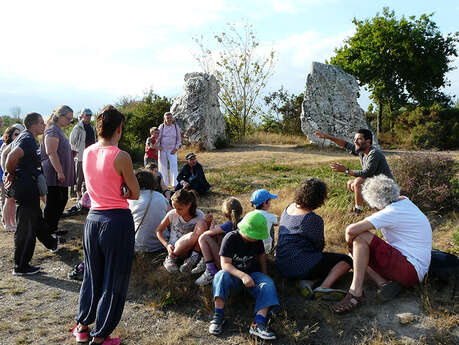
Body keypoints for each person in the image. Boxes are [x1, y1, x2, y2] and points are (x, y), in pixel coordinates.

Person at [73, 105, 140, 345]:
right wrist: (123, 189)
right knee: (114, 278)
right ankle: (101, 335)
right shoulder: (120, 156)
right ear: (119, 128)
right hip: (116, 221)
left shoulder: (88, 152)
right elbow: (134, 193)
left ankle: (82, 326)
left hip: (93, 219)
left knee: (92, 274)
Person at [331, 175, 432, 313]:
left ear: (376, 203)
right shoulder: (404, 202)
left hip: (410, 270)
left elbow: (351, 230)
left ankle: (355, 293)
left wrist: (351, 247)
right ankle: (384, 284)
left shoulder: (391, 212)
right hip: (416, 268)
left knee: (360, 238)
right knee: (360, 246)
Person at [275, 178, 353, 300]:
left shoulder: (288, 208)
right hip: (301, 264)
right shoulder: (312, 218)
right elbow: (319, 246)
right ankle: (324, 287)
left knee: (321, 263)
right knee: (346, 261)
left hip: (281, 264)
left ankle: (308, 282)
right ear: (318, 199)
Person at [209, 211, 279, 340]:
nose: (258, 239)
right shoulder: (230, 238)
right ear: (247, 231)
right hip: (234, 276)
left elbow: (262, 255)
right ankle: (218, 316)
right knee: (220, 276)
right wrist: (242, 276)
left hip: (253, 275)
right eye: (256, 236)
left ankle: (258, 323)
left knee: (268, 284)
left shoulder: (256, 241)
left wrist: (265, 275)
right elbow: (225, 264)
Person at [5, 113, 58, 275]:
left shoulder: (26, 137)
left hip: (29, 186)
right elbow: (11, 157)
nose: (44, 126)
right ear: (33, 125)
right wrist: (12, 173)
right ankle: (20, 266)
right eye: (41, 123)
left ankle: (51, 243)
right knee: (25, 229)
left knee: (35, 219)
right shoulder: (27, 139)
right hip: (26, 187)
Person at [315, 129, 393, 213]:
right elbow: (345, 144)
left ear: (368, 142)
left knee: (358, 182)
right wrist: (327, 137)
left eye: (359, 139)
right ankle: (368, 207)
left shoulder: (374, 153)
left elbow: (366, 173)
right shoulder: (362, 151)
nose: (355, 141)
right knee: (350, 184)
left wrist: (346, 170)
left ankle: (358, 211)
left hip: (386, 187)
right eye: (355, 139)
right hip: (375, 183)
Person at [41, 105, 75, 236]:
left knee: (61, 200)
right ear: (60, 116)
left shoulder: (57, 129)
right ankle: (48, 231)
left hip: (58, 172)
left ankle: (53, 228)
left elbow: (57, 149)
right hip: (53, 173)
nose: (69, 122)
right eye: (68, 119)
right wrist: (60, 171)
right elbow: (51, 153)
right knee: (54, 202)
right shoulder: (52, 131)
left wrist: (70, 152)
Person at [194, 197, 243, 286]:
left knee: (203, 238)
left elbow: (207, 233)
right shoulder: (244, 222)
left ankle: (211, 270)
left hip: (228, 264)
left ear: (225, 214)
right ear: (241, 211)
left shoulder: (228, 225)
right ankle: (207, 263)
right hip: (241, 263)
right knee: (218, 235)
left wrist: (212, 227)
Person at [156, 188, 207, 273]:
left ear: (189, 205)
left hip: (192, 248)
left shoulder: (199, 215)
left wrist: (208, 223)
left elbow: (203, 234)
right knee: (192, 235)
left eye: (179, 209)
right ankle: (171, 259)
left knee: (202, 224)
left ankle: (193, 258)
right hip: (175, 248)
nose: (176, 211)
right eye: (174, 207)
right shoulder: (172, 214)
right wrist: (167, 245)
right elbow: (158, 230)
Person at [128, 169, 170, 252]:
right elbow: (171, 215)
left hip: (139, 245)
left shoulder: (131, 199)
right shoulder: (160, 196)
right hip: (162, 243)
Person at [69, 108, 96, 201]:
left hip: (91, 156)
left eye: (90, 115)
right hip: (81, 156)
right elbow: (72, 141)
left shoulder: (92, 127)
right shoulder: (78, 127)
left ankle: (86, 196)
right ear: (82, 115)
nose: (88, 117)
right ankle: (78, 196)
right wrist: (77, 151)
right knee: (79, 177)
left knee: (89, 176)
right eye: (87, 114)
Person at [1, 126, 22, 231]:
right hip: (9, 176)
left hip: (15, 176)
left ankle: (12, 222)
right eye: (16, 134)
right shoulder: (7, 145)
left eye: (19, 134)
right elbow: (3, 158)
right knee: (8, 201)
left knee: (13, 201)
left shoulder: (16, 144)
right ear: (10, 135)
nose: (18, 136)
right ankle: (7, 224)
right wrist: (6, 172)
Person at [250, 189, 279, 253]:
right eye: (269, 201)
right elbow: (281, 221)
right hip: (265, 249)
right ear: (264, 204)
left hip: (252, 249)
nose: (270, 203)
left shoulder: (250, 215)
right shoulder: (270, 217)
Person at [156, 112, 181, 187]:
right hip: (162, 149)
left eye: (170, 118)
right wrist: (158, 147)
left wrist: (176, 148)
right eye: (167, 118)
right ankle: (164, 184)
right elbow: (158, 138)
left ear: (172, 118)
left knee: (174, 166)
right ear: (165, 119)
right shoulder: (162, 126)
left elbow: (179, 139)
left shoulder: (176, 126)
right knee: (163, 167)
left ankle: (175, 184)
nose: (169, 119)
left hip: (172, 149)